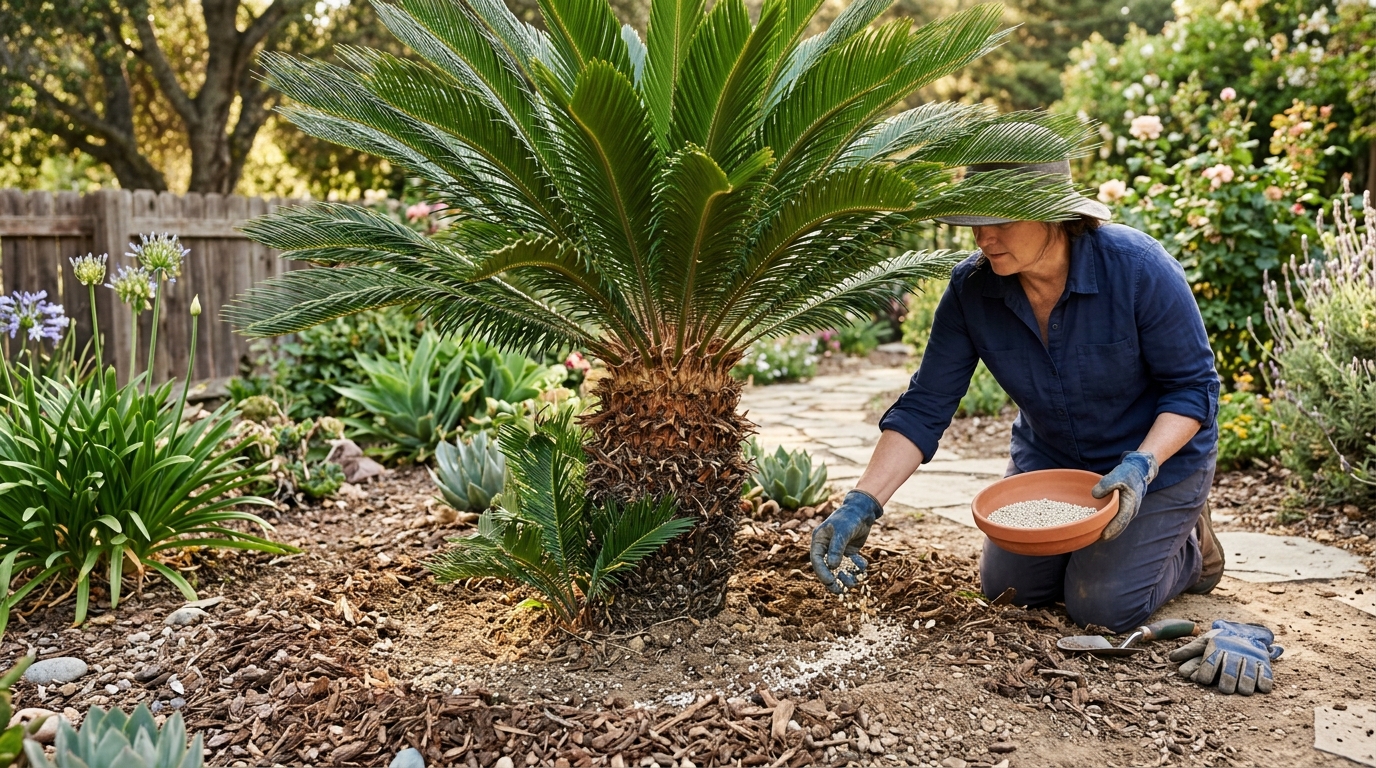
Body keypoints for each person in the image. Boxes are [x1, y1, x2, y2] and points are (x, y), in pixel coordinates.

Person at [809, 159, 1223, 633]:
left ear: (1052, 213)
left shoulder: (1138, 268)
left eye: (1000, 221)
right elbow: (925, 406)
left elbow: (1192, 388)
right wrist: (862, 501)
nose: (984, 239)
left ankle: (1192, 550)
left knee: (1101, 607)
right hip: (1051, 461)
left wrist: (1142, 465)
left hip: (1158, 463)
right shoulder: (972, 289)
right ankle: (1107, 549)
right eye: (975, 224)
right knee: (1010, 591)